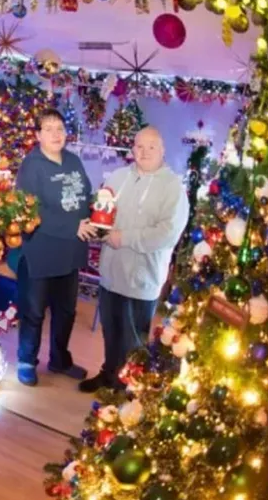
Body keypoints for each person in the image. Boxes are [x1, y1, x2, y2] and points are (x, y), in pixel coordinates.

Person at [78, 126, 190, 392]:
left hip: (142, 278)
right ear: (132, 150)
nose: (144, 152)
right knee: (110, 330)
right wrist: (94, 225)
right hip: (111, 271)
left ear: (162, 150)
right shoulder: (117, 177)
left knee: (133, 341)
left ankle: (127, 390)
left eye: (151, 146)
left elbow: (167, 234)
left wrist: (124, 238)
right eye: (139, 146)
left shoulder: (173, 187)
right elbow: (103, 213)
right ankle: (108, 374)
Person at [14, 109, 99, 386]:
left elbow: (85, 195)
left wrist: (98, 210)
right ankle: (27, 360)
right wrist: (72, 226)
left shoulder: (73, 161)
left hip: (70, 253)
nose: (55, 134)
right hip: (41, 252)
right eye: (48, 128)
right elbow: (30, 211)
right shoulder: (32, 165)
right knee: (34, 312)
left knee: (66, 312)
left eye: (60, 128)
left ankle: (59, 360)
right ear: (38, 135)